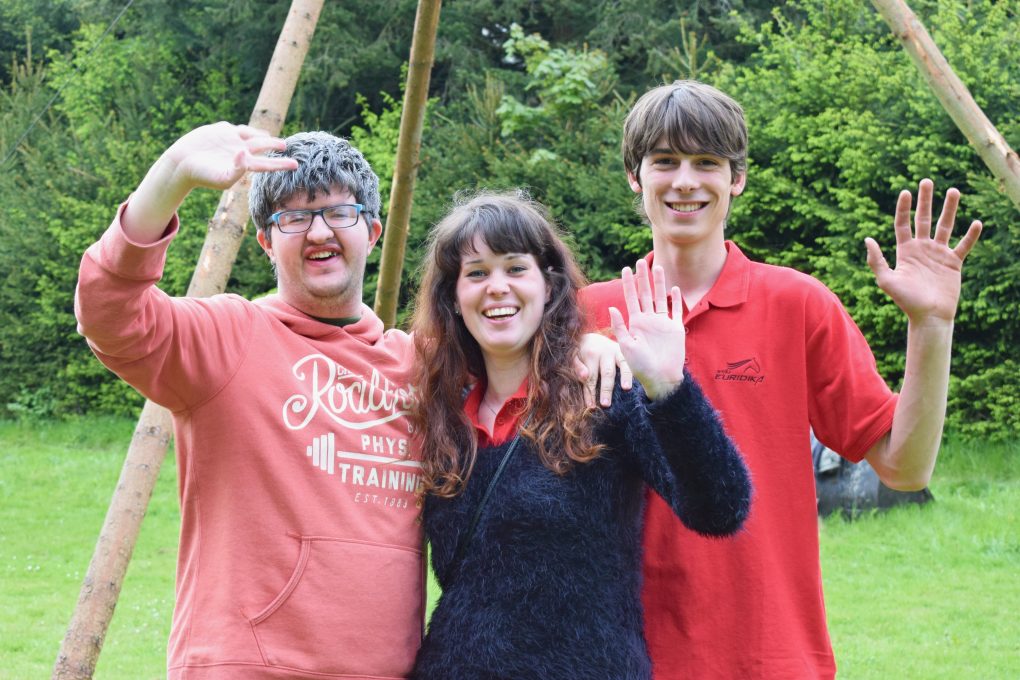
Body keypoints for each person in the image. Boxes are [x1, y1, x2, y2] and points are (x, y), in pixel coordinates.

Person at [75, 123, 626, 679]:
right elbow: (110, 314)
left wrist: (584, 342)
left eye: (339, 212)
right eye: (293, 217)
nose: (319, 232)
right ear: (267, 240)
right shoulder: (226, 339)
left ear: (373, 230)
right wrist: (169, 177)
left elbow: (514, 333)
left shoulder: (426, 367)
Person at [579, 80, 984, 679]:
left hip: (768, 655)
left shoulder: (797, 305)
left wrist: (931, 327)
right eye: (664, 161)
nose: (685, 180)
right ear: (636, 177)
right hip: (618, 657)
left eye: (707, 162)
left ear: (736, 178)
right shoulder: (587, 318)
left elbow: (904, 466)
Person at [407, 191, 752, 679]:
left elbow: (721, 508)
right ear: (453, 298)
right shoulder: (442, 415)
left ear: (549, 287)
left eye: (515, 268)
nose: (497, 288)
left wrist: (670, 389)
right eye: (477, 273)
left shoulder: (604, 393)